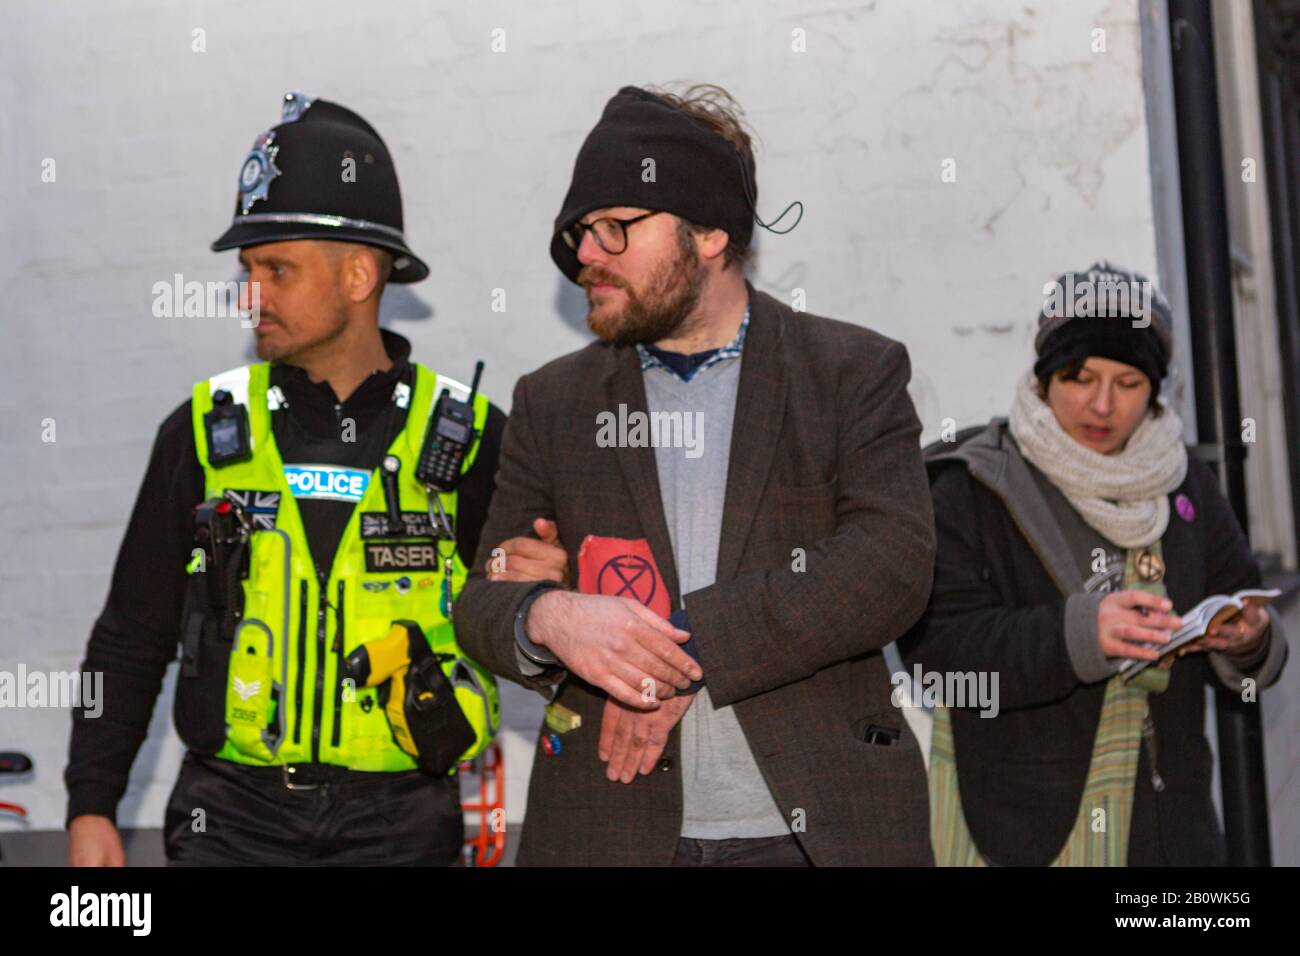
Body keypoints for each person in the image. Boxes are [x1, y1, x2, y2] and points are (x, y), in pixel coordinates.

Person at [454, 84, 937, 866]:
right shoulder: (554, 402)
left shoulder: (850, 372)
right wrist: (549, 616)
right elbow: (483, 600)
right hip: (610, 831)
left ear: (709, 232)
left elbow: (890, 566)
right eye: (581, 232)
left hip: (819, 832)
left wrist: (676, 652)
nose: (585, 253)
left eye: (616, 227)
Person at [65, 92, 533, 866]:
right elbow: (130, 633)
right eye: (247, 270)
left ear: (357, 274)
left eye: (276, 269)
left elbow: (528, 625)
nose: (252, 294)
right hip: (229, 819)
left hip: (404, 825)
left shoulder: (472, 438)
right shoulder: (205, 431)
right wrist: (90, 807)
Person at [900, 262, 1288, 866]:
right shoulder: (970, 484)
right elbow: (937, 661)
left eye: (1128, 382)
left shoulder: (1185, 484)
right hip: (1029, 838)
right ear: (1045, 375)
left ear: (1155, 389)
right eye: (1079, 377)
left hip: (1174, 841)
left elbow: (1246, 632)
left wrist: (1246, 640)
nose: (1102, 404)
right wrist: (1082, 634)